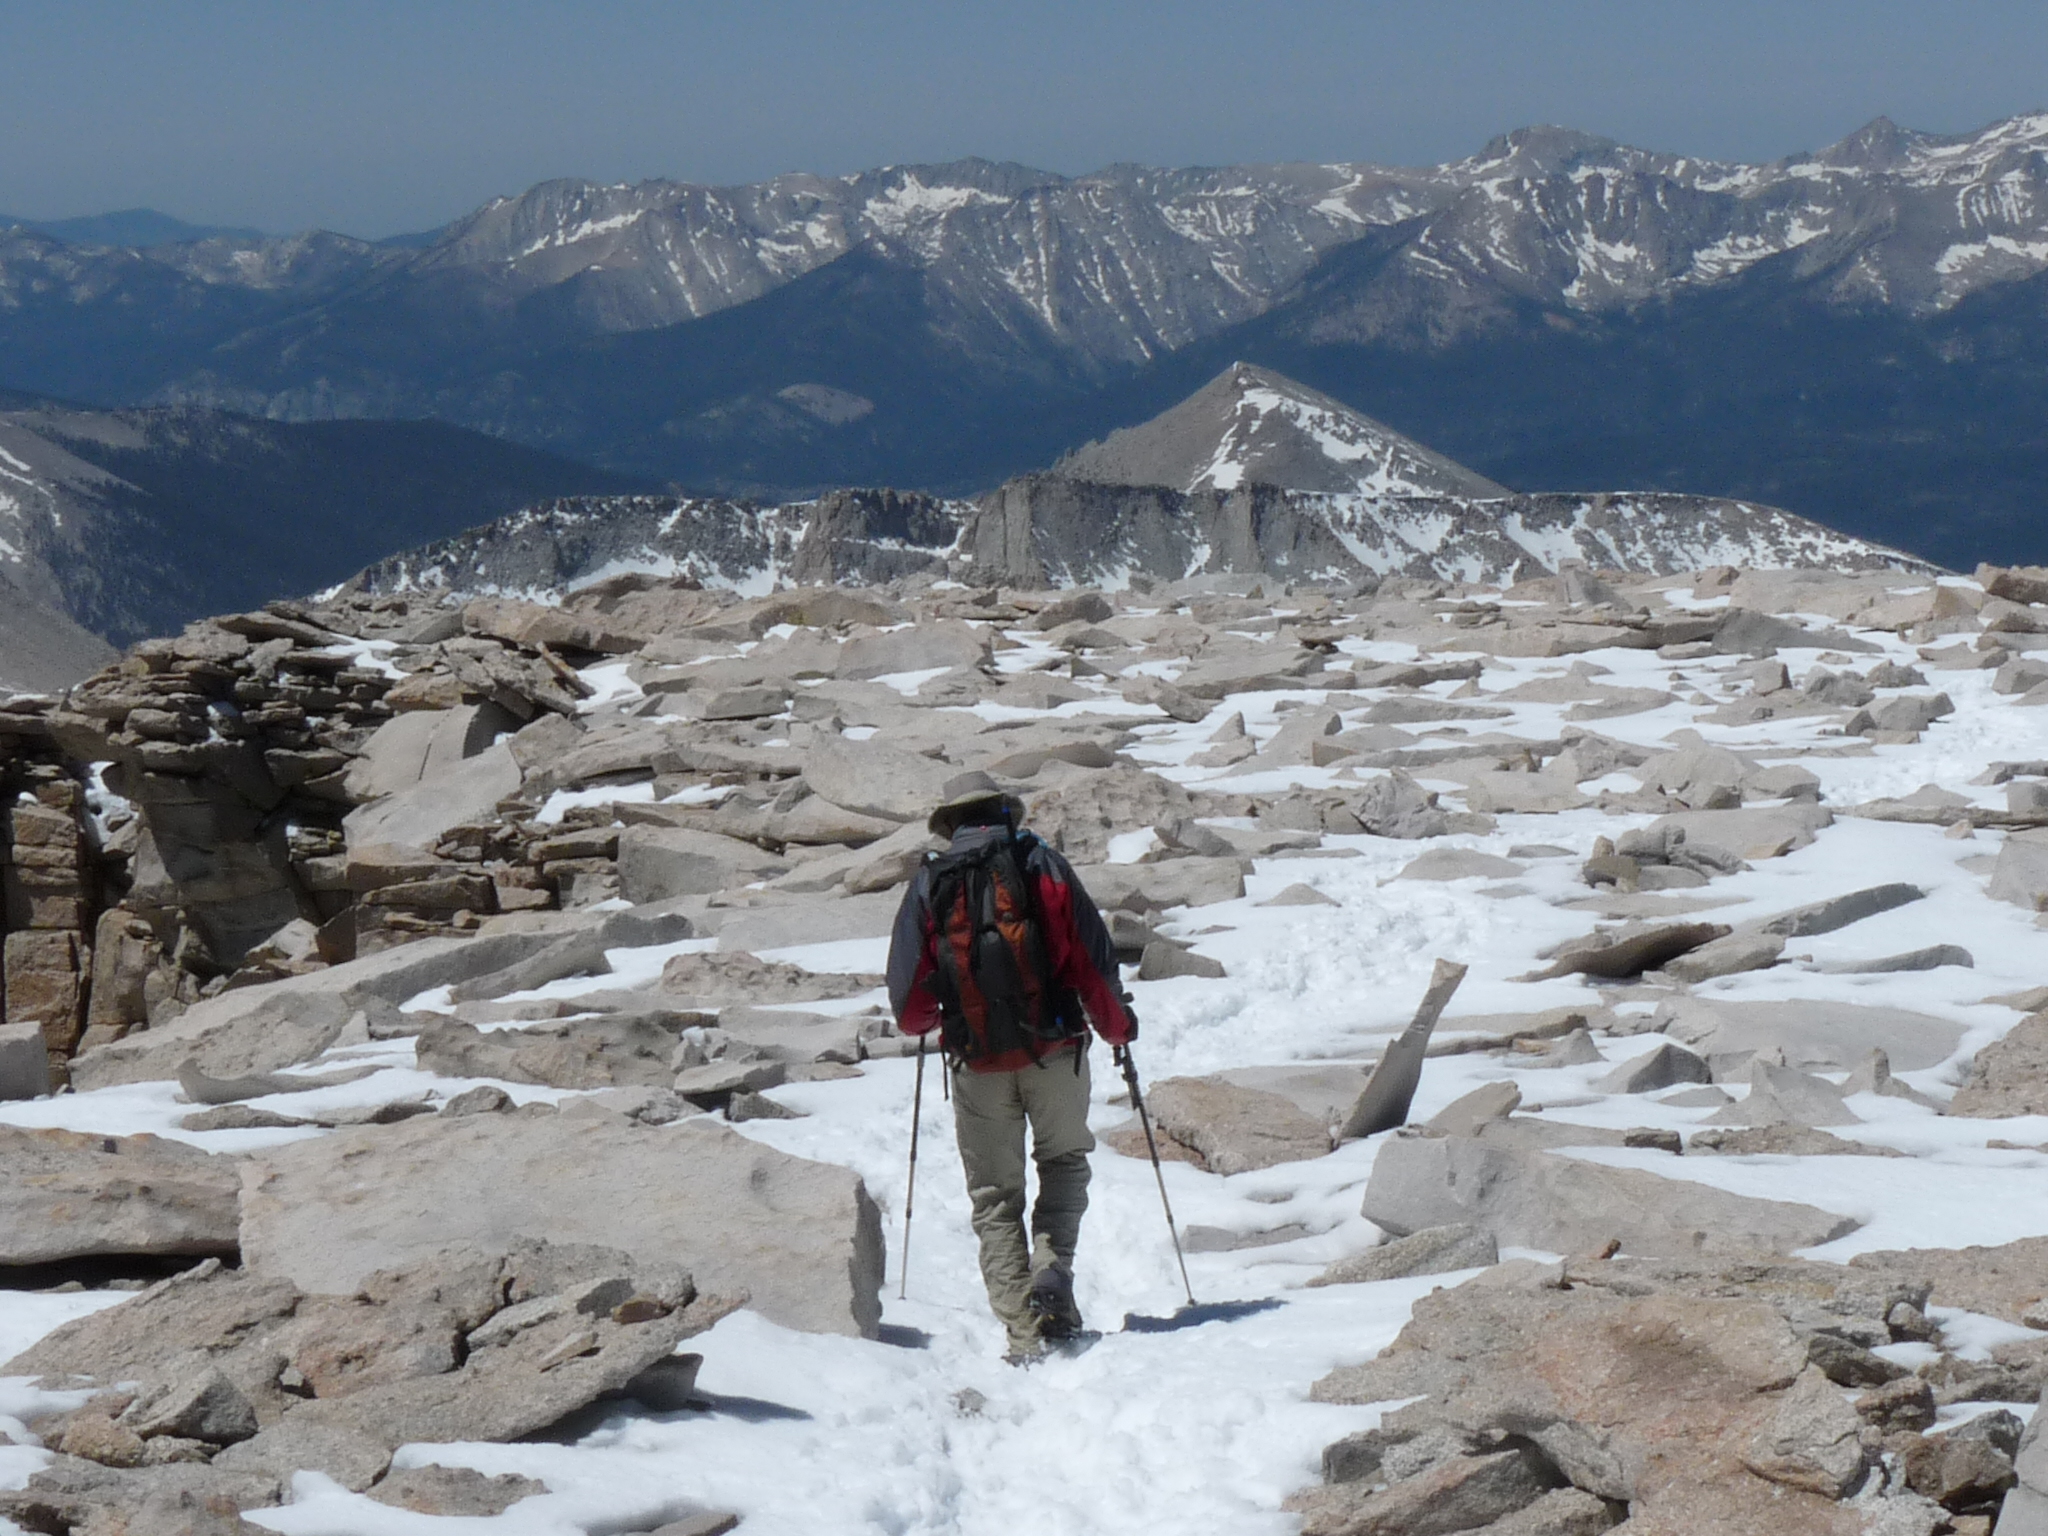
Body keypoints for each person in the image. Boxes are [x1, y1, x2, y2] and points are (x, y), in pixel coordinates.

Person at [886, 771, 1135, 1361]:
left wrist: (944, 1019)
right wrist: (1118, 1028)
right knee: (1064, 1162)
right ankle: (1053, 1272)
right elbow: (1092, 959)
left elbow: (908, 1007)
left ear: (950, 824)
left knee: (996, 1198)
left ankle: (1023, 1336)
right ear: (1005, 812)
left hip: (978, 1060)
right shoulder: (1043, 867)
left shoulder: (929, 882)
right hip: (1056, 1050)